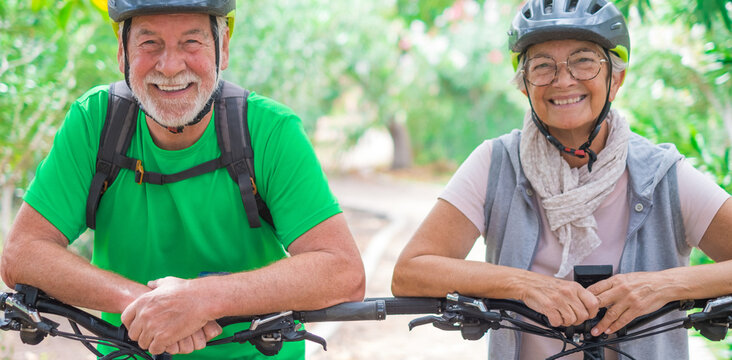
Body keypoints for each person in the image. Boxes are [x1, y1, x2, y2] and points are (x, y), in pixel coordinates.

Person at [1, 0, 365, 359]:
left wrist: (203, 299)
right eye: (149, 43)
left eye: (191, 42)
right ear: (122, 52)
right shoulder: (95, 122)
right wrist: (147, 304)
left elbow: (343, 271)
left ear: (222, 48)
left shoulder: (269, 131)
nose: (171, 66)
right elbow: (21, 254)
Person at [391, 0, 732, 359]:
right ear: (524, 85)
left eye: (583, 61)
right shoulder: (497, 164)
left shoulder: (661, 175)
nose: (563, 80)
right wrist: (523, 285)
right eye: (542, 67)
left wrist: (662, 285)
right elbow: (410, 271)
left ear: (615, 79)